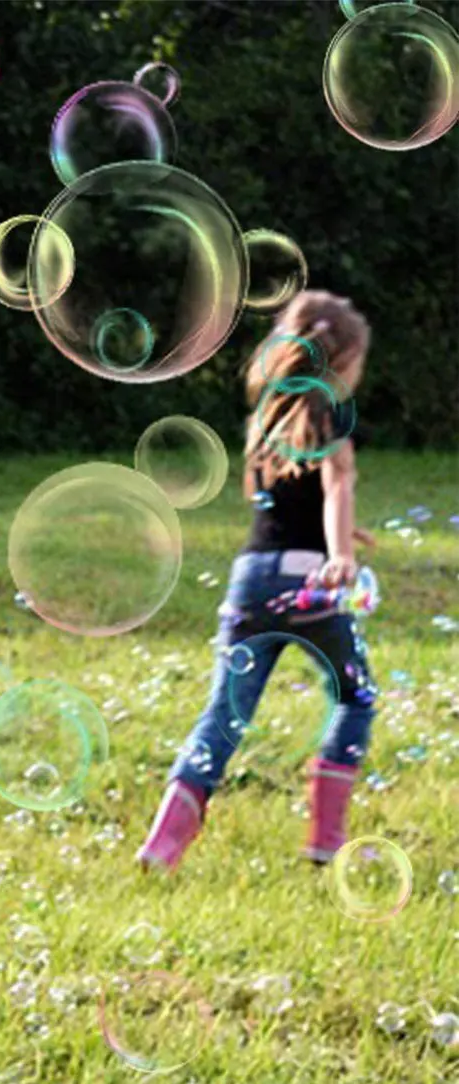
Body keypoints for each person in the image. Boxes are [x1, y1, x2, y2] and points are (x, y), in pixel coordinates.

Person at [137, 290, 379, 872]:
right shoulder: (328, 410)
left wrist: (341, 534)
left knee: (223, 714)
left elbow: (279, 501)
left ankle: (163, 843)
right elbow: (336, 482)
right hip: (310, 585)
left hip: (251, 578)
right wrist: (339, 553)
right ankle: (325, 839)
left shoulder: (270, 415)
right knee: (355, 698)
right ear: (343, 360)